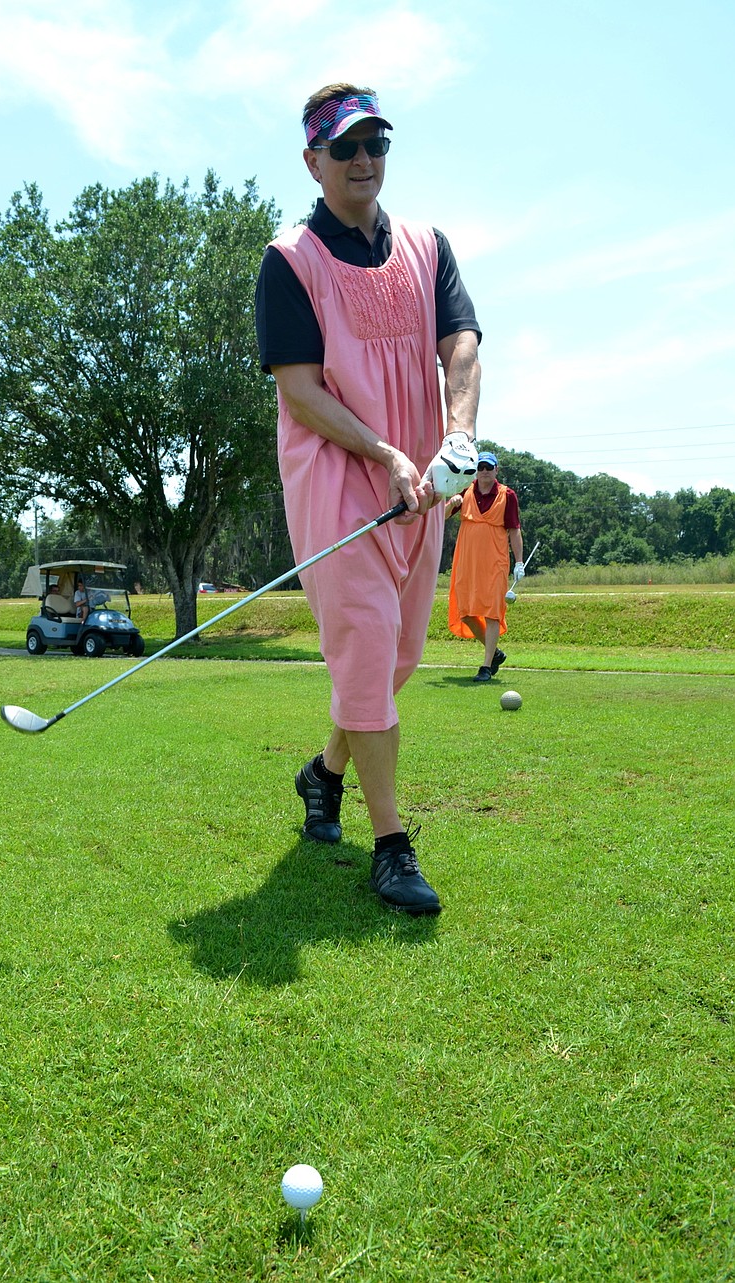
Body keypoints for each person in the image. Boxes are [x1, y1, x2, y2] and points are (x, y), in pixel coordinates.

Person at [255, 83, 482, 915]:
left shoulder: (428, 245)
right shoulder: (290, 261)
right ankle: (391, 847)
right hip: (336, 482)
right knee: (367, 648)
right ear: (313, 160)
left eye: (376, 144)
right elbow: (302, 391)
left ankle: (324, 775)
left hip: (420, 487)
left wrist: (455, 434)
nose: (363, 160)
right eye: (345, 147)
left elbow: (460, 341)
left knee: (392, 664)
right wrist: (382, 449)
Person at [446, 451, 524, 681]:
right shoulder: (465, 490)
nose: (484, 472)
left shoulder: (507, 495)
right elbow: (440, 517)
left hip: (495, 561)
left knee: (492, 612)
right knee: (465, 611)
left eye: (489, 467)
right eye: (480, 467)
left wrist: (519, 561)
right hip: (466, 560)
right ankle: (496, 653)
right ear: (475, 470)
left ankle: (486, 666)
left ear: (496, 470)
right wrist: (451, 504)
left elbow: (514, 530)